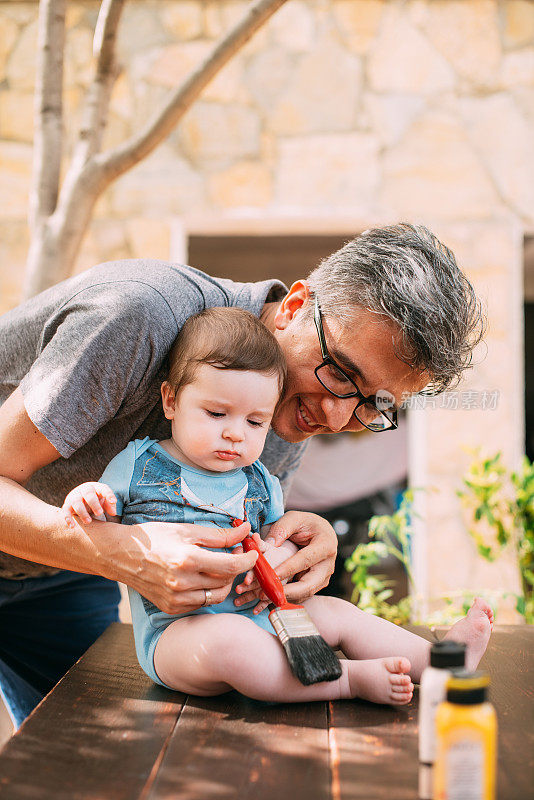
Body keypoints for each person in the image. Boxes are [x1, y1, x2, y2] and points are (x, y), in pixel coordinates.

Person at [0, 223, 485, 724]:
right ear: (295, 306)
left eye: (374, 404)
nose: (337, 419)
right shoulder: (137, 317)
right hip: (57, 544)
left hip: (57, 572)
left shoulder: (280, 406)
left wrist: (293, 546)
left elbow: (247, 540)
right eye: (341, 372)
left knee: (86, 762)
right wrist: (125, 553)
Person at [62, 308, 493, 704]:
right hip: (180, 637)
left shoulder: (259, 480)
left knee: (336, 613)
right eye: (216, 414)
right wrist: (88, 498)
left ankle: (439, 660)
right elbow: (103, 514)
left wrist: (279, 554)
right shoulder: (139, 463)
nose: (236, 434)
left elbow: (279, 539)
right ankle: (344, 680)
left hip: (263, 615)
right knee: (232, 642)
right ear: (171, 401)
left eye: (254, 422)